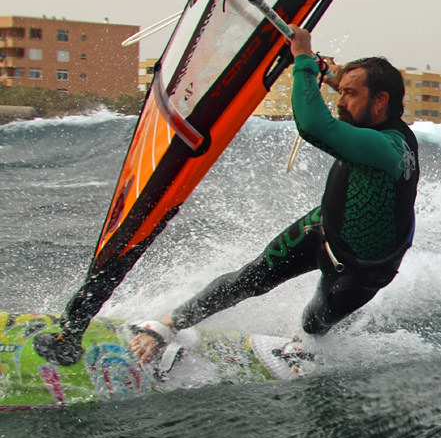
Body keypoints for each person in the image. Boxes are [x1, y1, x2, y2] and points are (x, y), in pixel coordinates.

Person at [128, 25, 419, 366]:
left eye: (349, 94)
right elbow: (337, 95)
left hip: (361, 269)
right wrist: (317, 66)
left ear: (380, 100)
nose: (339, 102)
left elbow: (313, 126)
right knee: (250, 278)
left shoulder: (388, 148)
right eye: (340, 92)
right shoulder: (369, 124)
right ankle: (165, 327)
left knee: (314, 323)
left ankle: (302, 346)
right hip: (322, 229)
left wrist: (302, 61)